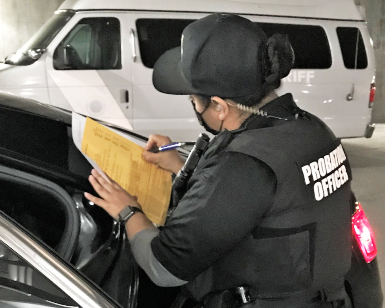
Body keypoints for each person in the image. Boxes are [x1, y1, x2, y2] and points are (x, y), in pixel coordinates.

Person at [85, 13, 353, 308]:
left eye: (193, 101)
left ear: (219, 106)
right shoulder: (310, 128)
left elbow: (164, 268)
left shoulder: (242, 165)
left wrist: (127, 211)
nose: (194, 107)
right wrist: (177, 166)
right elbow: (266, 198)